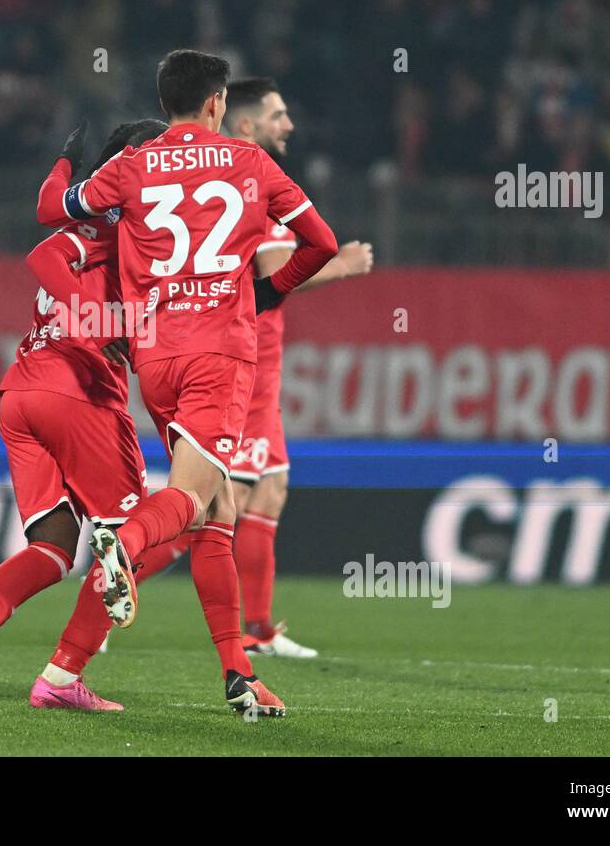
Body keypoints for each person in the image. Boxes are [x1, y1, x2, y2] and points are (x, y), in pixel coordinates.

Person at [36, 49, 339, 714]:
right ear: (215, 103)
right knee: (190, 498)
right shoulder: (250, 163)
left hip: (155, 358)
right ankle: (127, 542)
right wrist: (267, 293)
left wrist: (65, 163)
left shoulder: (131, 164)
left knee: (216, 516)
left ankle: (226, 673)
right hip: (219, 356)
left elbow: (59, 209)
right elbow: (322, 242)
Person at [0, 120, 167, 712]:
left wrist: (62, 162)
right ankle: (61, 677)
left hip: (23, 393)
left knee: (55, 549)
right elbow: (45, 254)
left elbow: (47, 217)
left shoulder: (93, 215)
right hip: (78, 395)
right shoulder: (122, 228)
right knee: (139, 538)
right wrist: (101, 323)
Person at [221, 77, 374, 658]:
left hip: (264, 361)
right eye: (278, 115)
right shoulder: (247, 182)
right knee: (216, 501)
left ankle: (257, 629)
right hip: (245, 360)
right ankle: (112, 584)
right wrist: (343, 264)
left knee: (270, 490)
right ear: (246, 125)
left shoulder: (259, 180)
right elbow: (274, 273)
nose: (289, 125)